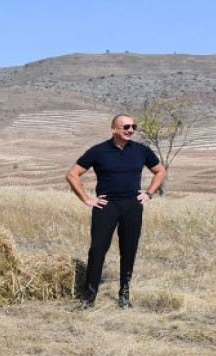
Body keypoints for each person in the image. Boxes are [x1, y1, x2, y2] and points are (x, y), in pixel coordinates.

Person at [66, 114, 166, 308]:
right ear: (114, 129)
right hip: (106, 205)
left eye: (133, 127)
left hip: (132, 205)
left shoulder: (142, 151)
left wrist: (150, 193)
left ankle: (124, 294)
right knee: (97, 249)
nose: (131, 130)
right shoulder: (98, 151)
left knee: (129, 249)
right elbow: (72, 174)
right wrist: (86, 199)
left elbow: (159, 171)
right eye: (126, 127)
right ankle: (89, 296)